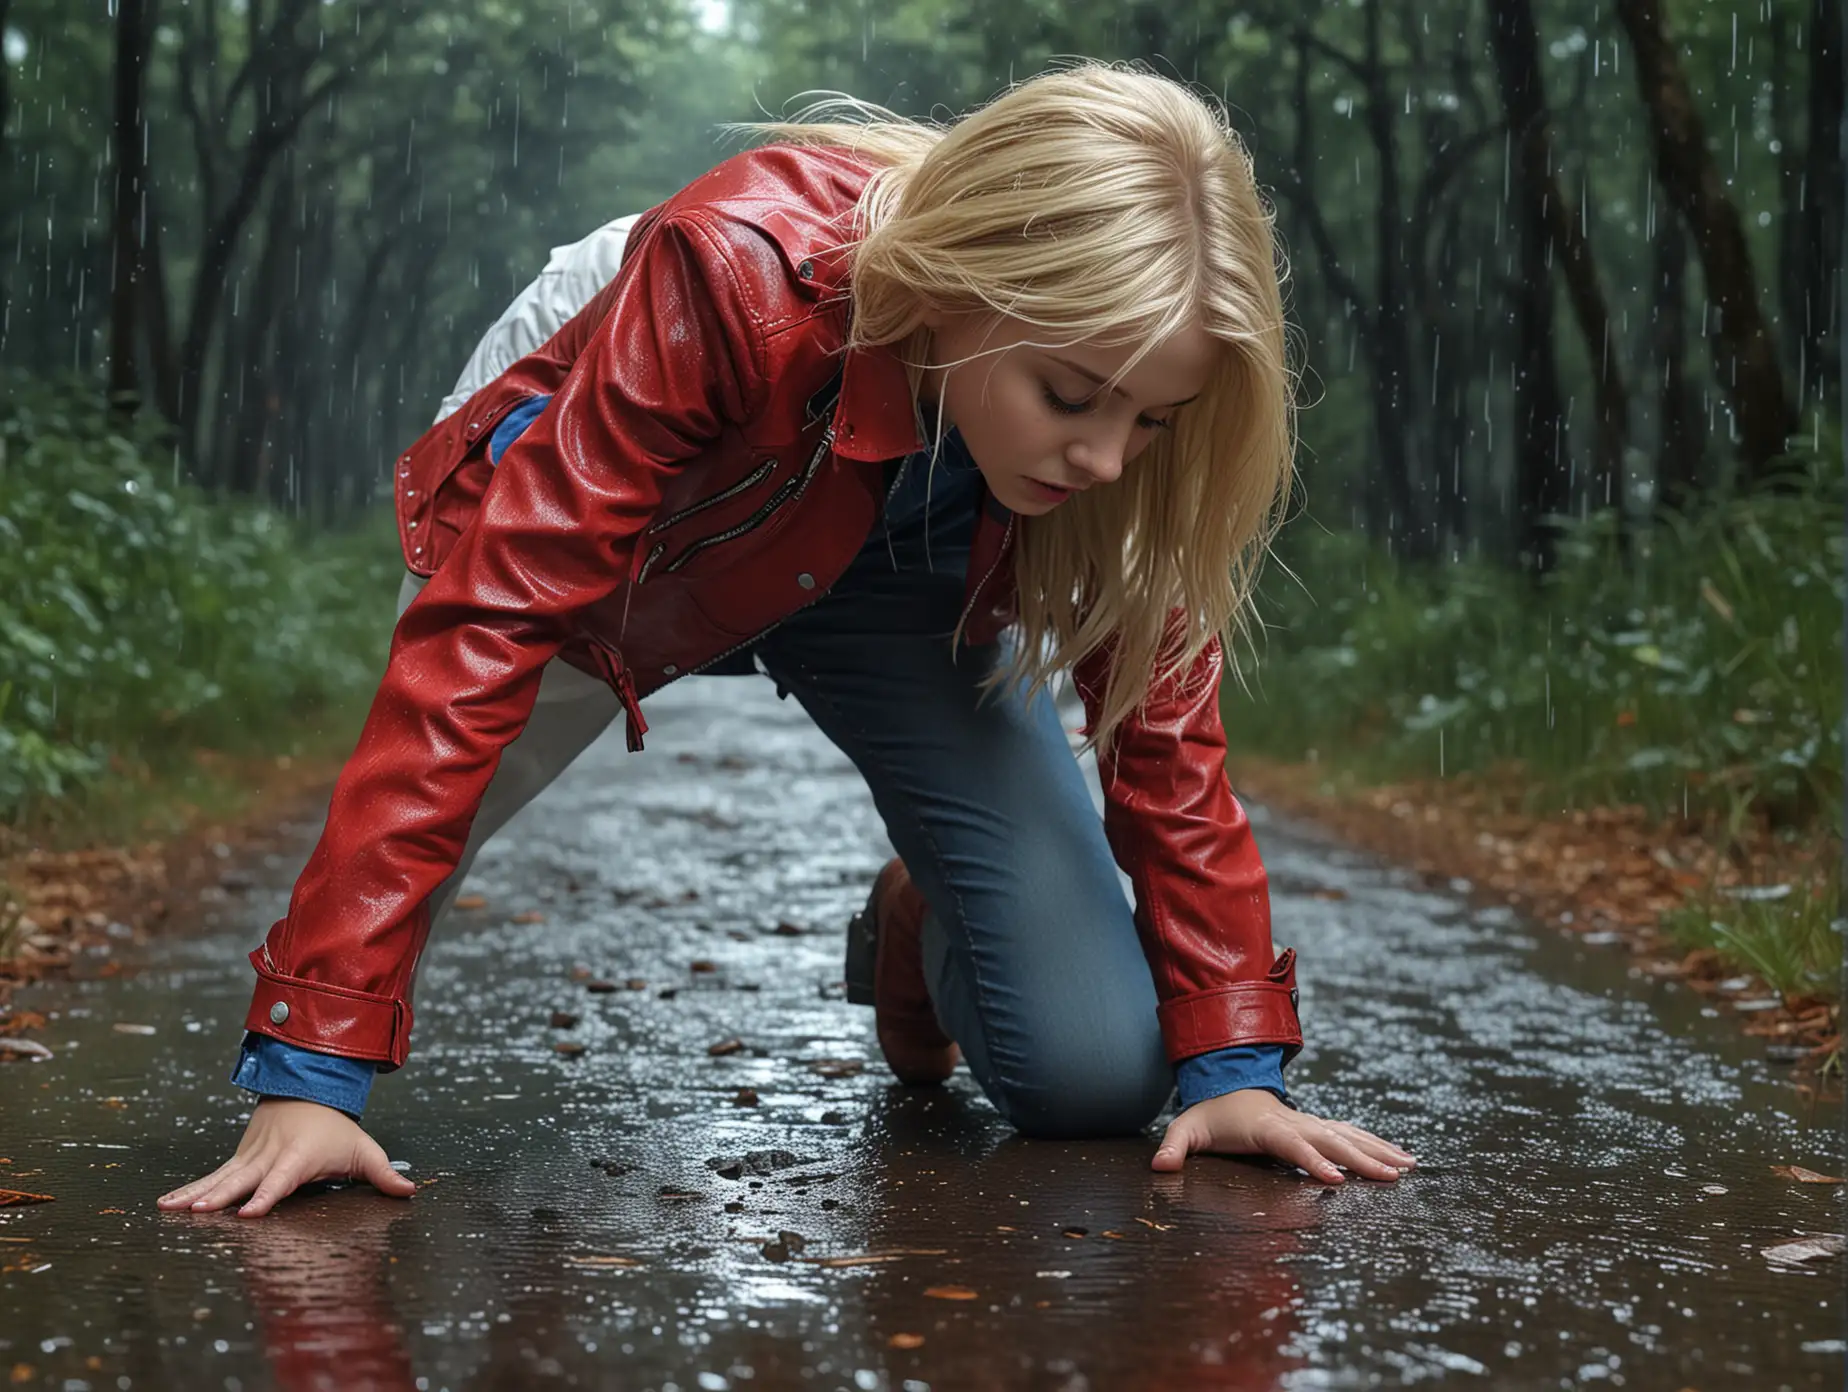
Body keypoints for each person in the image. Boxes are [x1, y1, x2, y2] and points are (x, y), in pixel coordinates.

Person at [158, 60, 1418, 1221]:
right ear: (968, 287)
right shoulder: (730, 276)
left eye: (1153, 419)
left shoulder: (1120, 418)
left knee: (1097, 1075)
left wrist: (1236, 1062)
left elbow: (1165, 733)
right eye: (1073, 398)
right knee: (424, 845)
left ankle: (931, 919)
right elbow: (478, 647)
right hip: (658, 513)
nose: (1106, 455)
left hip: (919, 550)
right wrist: (313, 1076)